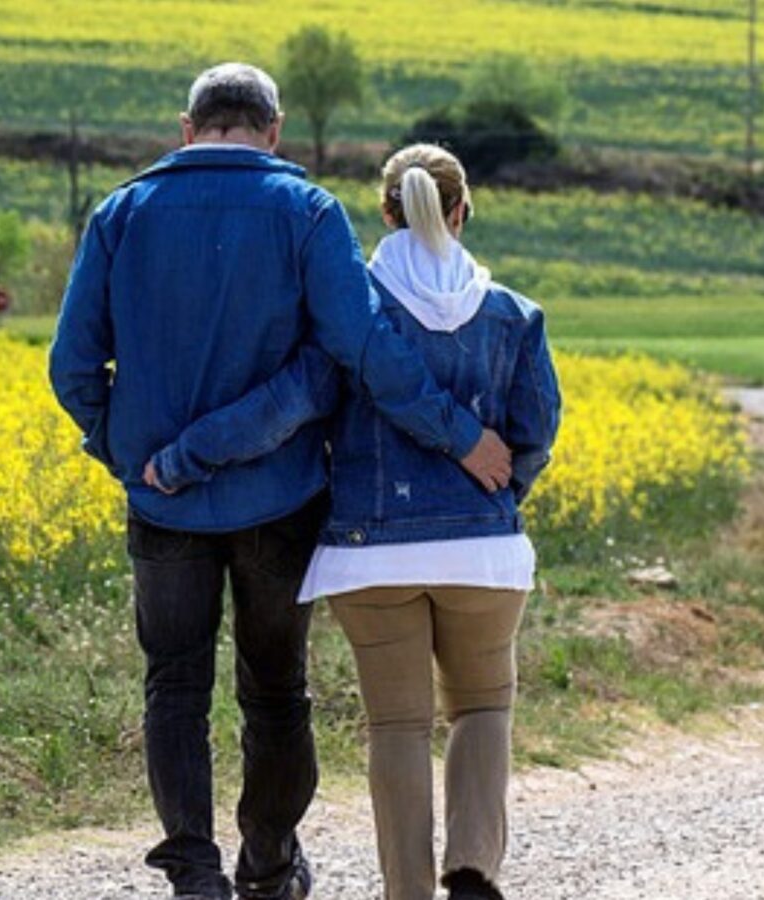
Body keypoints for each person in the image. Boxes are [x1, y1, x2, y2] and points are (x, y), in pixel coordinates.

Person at [48, 64, 514, 900]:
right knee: (275, 690)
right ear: (274, 130)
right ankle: (268, 865)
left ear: (188, 129)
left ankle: (194, 870)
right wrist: (460, 436)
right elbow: (359, 354)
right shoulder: (307, 213)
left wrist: (128, 454)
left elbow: (72, 365)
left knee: (174, 686)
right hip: (281, 499)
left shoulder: (120, 213)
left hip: (163, 505)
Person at [301, 143, 561, 900]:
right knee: (482, 705)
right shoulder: (513, 313)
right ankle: (473, 867)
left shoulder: (353, 317)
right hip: (482, 556)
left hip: (367, 557)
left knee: (398, 727)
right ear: (462, 211)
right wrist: (500, 502)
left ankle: (406, 892)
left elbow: (310, 409)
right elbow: (536, 428)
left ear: (384, 212)